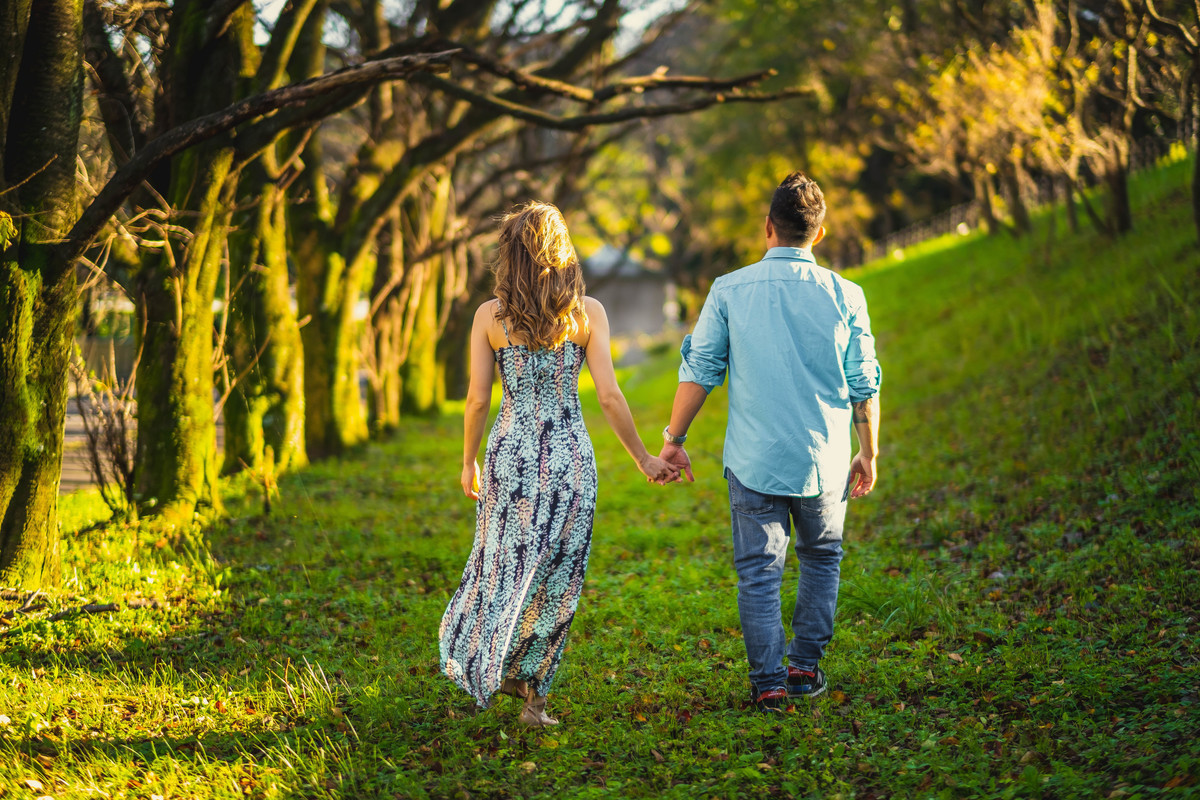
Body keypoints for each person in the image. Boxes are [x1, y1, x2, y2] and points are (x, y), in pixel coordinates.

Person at [439, 201, 679, 727]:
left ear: (511, 254)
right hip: (570, 459)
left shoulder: (489, 318)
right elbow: (610, 396)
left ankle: (494, 661)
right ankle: (534, 702)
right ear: (562, 250)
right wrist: (642, 458)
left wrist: (468, 461)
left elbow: (478, 399)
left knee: (502, 564)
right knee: (558, 576)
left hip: (511, 458)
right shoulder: (586, 314)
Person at [658, 172, 882, 713]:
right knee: (822, 558)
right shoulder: (847, 294)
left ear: (768, 228)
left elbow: (701, 370)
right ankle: (803, 668)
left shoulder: (728, 289)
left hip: (753, 461)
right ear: (820, 233)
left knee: (759, 572)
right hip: (824, 462)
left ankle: (769, 684)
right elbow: (864, 383)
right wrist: (869, 451)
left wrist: (674, 438)